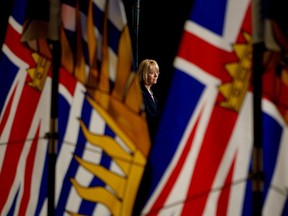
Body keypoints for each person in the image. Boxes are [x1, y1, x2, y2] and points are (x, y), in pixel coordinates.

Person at [137, 59, 161, 143]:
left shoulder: (152, 93)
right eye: (152, 72)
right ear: (144, 74)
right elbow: (148, 116)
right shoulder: (139, 92)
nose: (156, 75)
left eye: (157, 72)